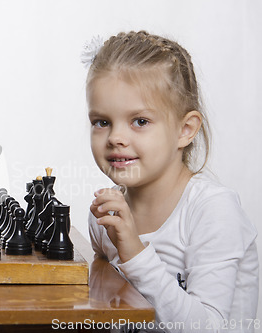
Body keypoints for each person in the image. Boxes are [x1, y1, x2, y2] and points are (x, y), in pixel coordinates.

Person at [85, 31, 258, 332]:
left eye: (140, 121)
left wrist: (135, 255)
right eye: (102, 122)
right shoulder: (106, 214)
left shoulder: (213, 211)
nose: (115, 137)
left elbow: (208, 328)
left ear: (185, 130)